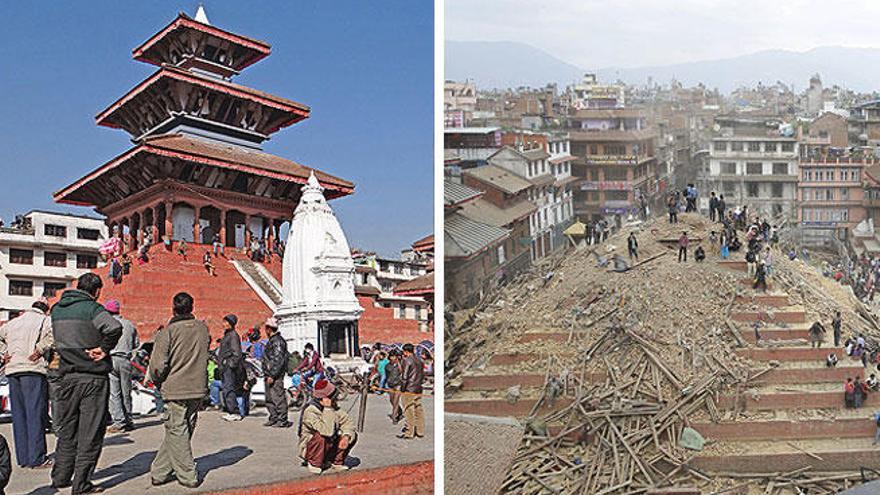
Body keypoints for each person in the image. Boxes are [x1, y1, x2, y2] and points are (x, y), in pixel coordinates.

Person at [50, 273, 123, 494]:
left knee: (67, 430)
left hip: (66, 377)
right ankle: (81, 484)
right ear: (97, 290)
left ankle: (61, 477)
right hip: (92, 377)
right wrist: (104, 348)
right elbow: (113, 328)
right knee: (90, 433)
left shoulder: (57, 309)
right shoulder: (93, 309)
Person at [148, 292, 210, 489]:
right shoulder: (202, 329)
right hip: (197, 388)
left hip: (175, 388)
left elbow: (157, 365)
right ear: (192, 307)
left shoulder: (168, 332)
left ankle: (187, 475)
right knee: (181, 431)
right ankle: (159, 471)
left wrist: (158, 381)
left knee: (177, 430)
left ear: (173, 308)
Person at [0, 298, 54, 469]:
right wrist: (40, 349)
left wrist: (4, 353)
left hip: (13, 369)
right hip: (33, 369)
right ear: (46, 310)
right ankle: (37, 458)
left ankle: (23, 458)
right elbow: (54, 336)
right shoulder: (46, 320)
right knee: (35, 414)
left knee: (19, 416)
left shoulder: (12, 323)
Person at [298, 379, 356, 474]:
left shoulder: (334, 407)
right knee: (321, 436)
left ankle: (336, 462)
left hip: (327, 446)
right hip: (310, 448)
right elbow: (326, 431)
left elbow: (347, 422)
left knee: (351, 435)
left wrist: (346, 436)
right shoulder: (310, 411)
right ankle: (314, 463)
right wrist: (328, 409)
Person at [105, 300, 139, 434]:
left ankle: (119, 422)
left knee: (114, 393)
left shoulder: (107, 324)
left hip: (112, 359)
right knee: (126, 392)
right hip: (126, 360)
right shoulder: (129, 324)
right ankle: (128, 419)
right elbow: (136, 343)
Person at [260, 317, 290, 428]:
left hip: (275, 376)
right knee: (269, 398)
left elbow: (278, 360)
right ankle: (274, 417)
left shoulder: (277, 341)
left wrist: (272, 374)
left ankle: (282, 419)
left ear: (269, 329)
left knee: (277, 397)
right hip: (269, 374)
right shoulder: (273, 341)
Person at [218, 314, 245, 422]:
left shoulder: (233, 335)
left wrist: (229, 364)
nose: (223, 324)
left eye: (226, 322)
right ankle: (230, 410)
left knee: (229, 389)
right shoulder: (227, 335)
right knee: (226, 389)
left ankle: (235, 412)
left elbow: (237, 353)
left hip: (229, 367)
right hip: (225, 367)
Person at [399, 343, 425, 440]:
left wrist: (402, 388)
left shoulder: (407, 361)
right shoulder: (420, 360)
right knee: (418, 409)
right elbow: (422, 375)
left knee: (408, 410)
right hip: (418, 388)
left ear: (405, 351)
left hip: (409, 388)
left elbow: (404, 377)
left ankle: (409, 432)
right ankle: (420, 431)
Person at [386, 350, 403, 424]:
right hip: (390, 384)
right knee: (391, 400)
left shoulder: (399, 364)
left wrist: (398, 362)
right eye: (391, 356)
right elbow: (386, 376)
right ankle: (399, 411)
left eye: (394, 356)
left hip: (398, 384)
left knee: (396, 401)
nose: (393, 358)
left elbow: (402, 371)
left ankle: (394, 417)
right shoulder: (387, 366)